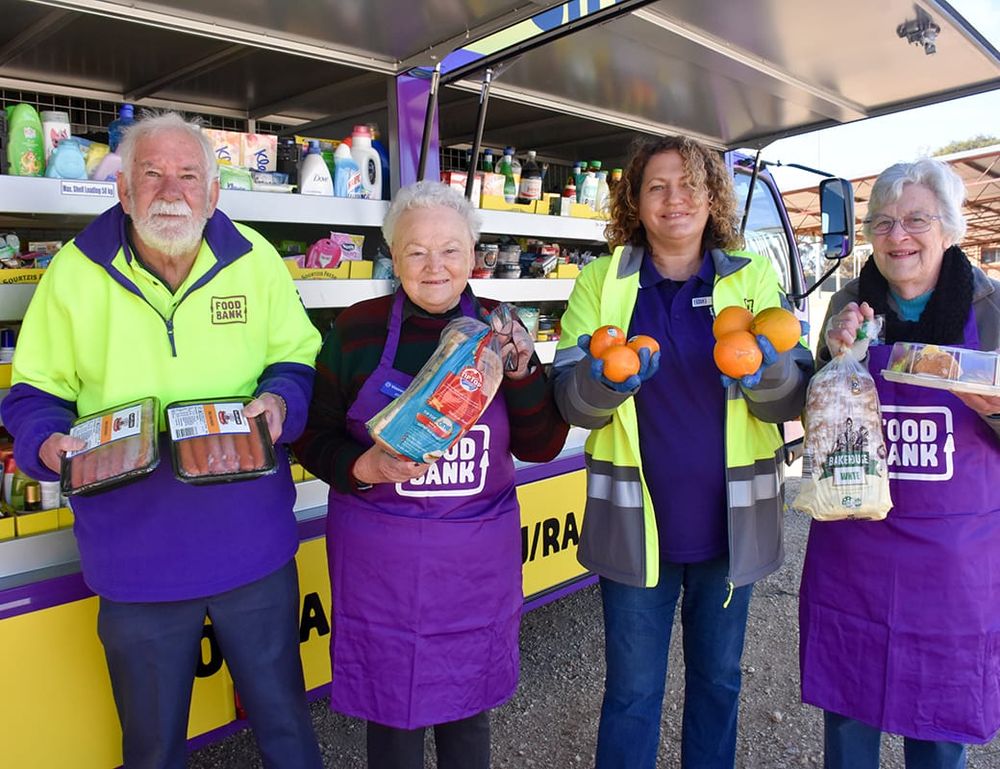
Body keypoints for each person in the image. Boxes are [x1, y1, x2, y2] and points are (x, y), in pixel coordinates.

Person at [0, 112, 323, 769]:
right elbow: (34, 391)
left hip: (251, 544)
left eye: (188, 175)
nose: (170, 189)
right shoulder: (73, 272)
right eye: (151, 174)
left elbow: (296, 356)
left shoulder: (254, 261)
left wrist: (282, 399)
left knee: (286, 725)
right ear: (122, 189)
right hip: (133, 554)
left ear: (213, 193)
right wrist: (47, 441)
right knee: (151, 749)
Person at [552, 135, 812, 769]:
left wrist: (763, 375)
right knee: (633, 694)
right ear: (635, 203)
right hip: (635, 528)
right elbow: (570, 404)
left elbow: (790, 403)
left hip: (729, 526)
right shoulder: (602, 281)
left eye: (690, 185)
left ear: (712, 197)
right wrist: (605, 382)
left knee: (718, 684)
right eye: (657, 186)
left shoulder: (751, 277)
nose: (675, 199)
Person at [292, 180, 569, 769]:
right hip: (380, 570)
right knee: (391, 717)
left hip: (472, 564)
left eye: (450, 250)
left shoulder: (502, 330)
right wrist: (363, 465)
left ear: (474, 253)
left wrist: (519, 373)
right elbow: (312, 437)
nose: (435, 266)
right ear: (394, 258)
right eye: (416, 252)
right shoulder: (358, 329)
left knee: (468, 714)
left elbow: (543, 445)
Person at [799, 158, 1000, 769]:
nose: (898, 236)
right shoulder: (850, 304)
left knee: (939, 732)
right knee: (850, 722)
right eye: (882, 223)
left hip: (952, 561)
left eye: (916, 219)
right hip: (854, 549)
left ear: (950, 229)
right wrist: (834, 360)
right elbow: (818, 420)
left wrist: (989, 405)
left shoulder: (990, 309)